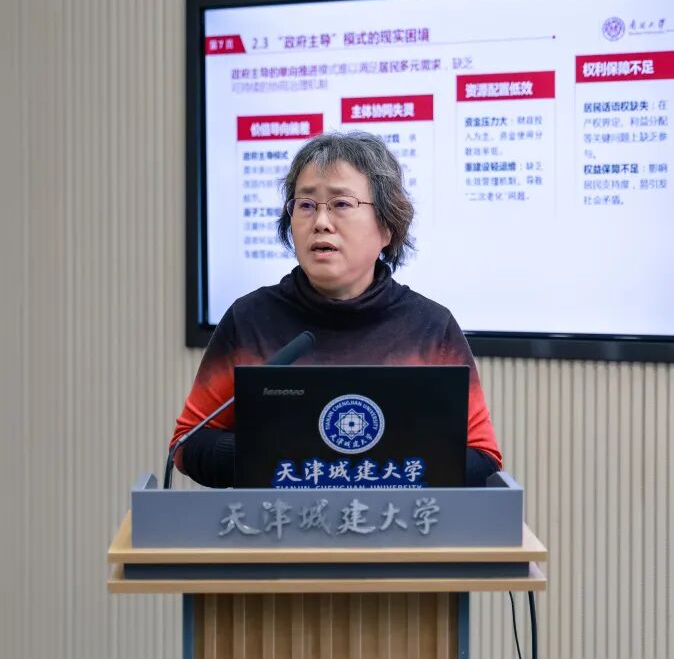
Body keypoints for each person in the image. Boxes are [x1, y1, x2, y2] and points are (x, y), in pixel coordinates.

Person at [171, 131, 502, 487]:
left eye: (341, 204)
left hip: (395, 520)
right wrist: (271, 456)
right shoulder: (249, 319)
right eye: (306, 205)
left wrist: (374, 462)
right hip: (276, 519)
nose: (321, 222)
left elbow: (482, 455)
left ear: (387, 227)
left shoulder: (431, 327)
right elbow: (188, 443)